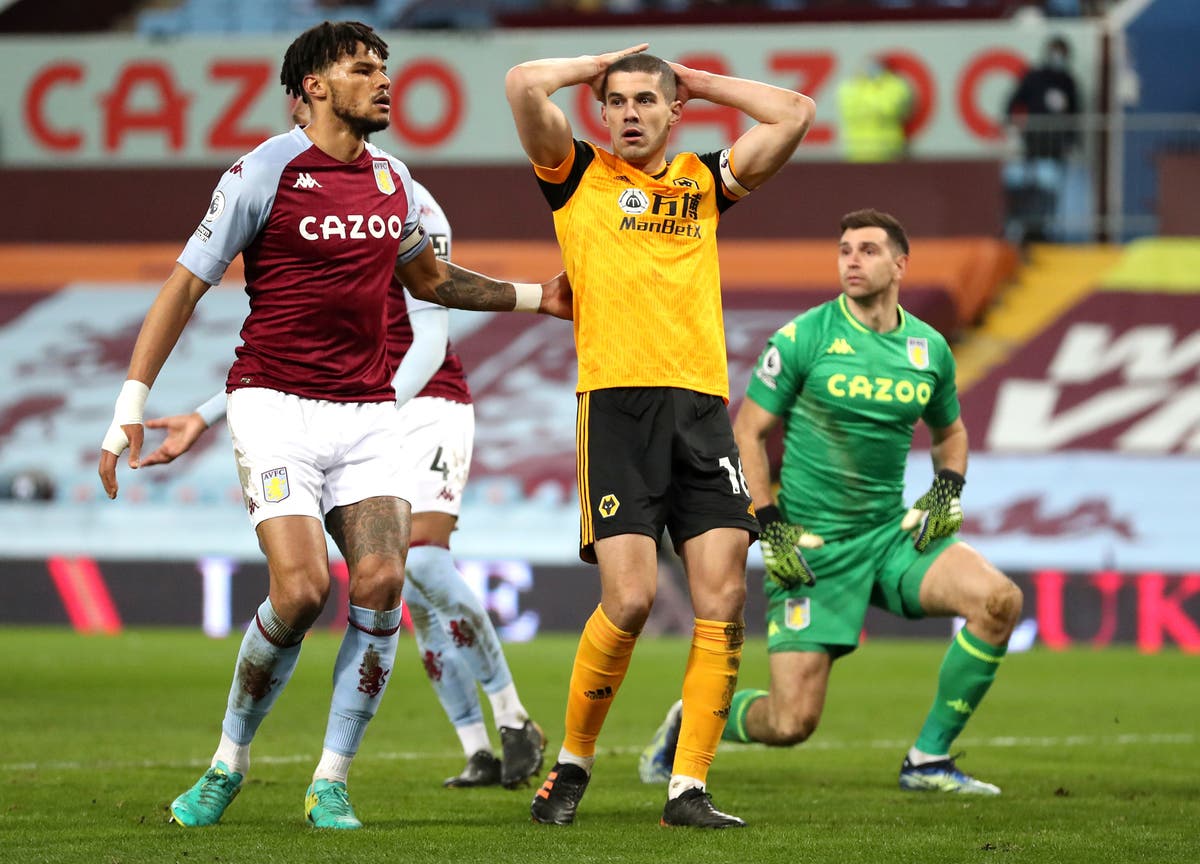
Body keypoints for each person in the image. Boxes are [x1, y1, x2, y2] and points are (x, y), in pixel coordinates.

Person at [97, 20, 567, 830]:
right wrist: (128, 406)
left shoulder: (394, 181)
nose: (384, 81)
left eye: (385, 67)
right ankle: (227, 762)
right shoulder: (261, 172)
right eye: (363, 68)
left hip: (366, 412)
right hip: (274, 404)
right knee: (305, 588)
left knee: (383, 583)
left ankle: (331, 780)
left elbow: (432, 280)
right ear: (313, 86)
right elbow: (182, 288)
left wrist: (538, 297)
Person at [140, 176, 547, 792]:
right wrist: (205, 412)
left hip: (424, 400)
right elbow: (291, 351)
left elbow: (431, 341)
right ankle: (477, 748)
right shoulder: (300, 200)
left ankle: (514, 718)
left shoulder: (409, 201)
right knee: (405, 583)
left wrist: (375, 408)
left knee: (426, 566)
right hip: (348, 404)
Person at [504, 45, 814, 828]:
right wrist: (602, 62)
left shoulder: (702, 183)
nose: (633, 113)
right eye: (619, 101)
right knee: (633, 597)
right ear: (601, 112)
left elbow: (795, 114)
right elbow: (520, 83)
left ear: (674, 111)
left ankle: (689, 788)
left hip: (703, 412)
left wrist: (698, 82)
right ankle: (572, 764)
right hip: (616, 407)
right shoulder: (576, 175)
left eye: (649, 100)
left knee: (722, 601)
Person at [640, 208, 1023, 795]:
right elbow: (747, 433)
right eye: (844, 248)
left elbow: (951, 433)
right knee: (791, 723)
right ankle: (687, 720)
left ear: (900, 264)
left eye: (868, 249)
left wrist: (948, 487)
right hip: (812, 549)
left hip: (892, 536)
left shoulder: (929, 348)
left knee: (999, 601)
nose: (851, 259)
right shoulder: (803, 338)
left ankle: (928, 761)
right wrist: (769, 524)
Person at [1003, 36, 1081, 242]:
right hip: (1034, 146)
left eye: (1061, 53)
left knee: (1051, 191)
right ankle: (1026, 230)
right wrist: (1013, 127)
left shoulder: (1068, 81)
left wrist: (1073, 141)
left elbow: (1076, 112)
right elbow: (1013, 102)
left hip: (1056, 149)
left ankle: (1044, 231)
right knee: (1028, 189)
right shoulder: (1034, 77)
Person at [836, 56, 912, 162]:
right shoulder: (851, 85)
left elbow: (889, 110)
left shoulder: (895, 84)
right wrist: (873, 101)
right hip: (856, 152)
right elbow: (848, 109)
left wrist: (865, 104)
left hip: (888, 151)